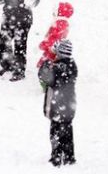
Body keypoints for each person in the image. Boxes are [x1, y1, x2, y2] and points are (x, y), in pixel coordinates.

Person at [40, 39, 77, 167]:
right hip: (69, 106)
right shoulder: (72, 65)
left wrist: (46, 64)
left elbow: (45, 78)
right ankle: (69, 156)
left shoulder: (58, 68)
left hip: (58, 106)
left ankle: (56, 157)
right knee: (67, 132)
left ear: (60, 53)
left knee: (56, 132)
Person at [37, 2, 74, 88]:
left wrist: (43, 45)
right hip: (56, 50)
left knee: (47, 68)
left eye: (55, 11)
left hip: (52, 51)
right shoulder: (63, 23)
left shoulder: (59, 23)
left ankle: (47, 85)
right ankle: (50, 82)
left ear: (60, 12)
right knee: (51, 67)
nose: (53, 13)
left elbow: (53, 38)